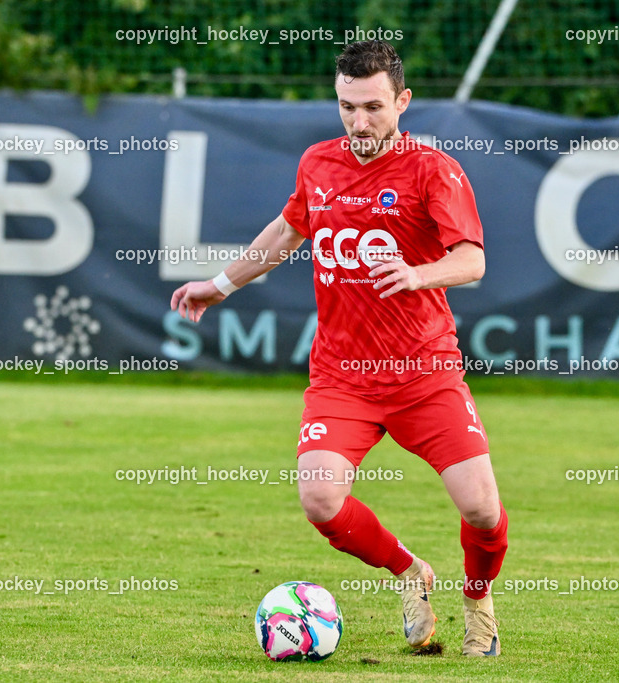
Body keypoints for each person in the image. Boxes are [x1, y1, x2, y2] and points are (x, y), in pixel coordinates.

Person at [170, 40, 508, 657]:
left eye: (374, 107)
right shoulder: (319, 163)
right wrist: (219, 285)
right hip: (342, 376)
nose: (360, 123)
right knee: (320, 498)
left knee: (482, 510)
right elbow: (287, 230)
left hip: (423, 371)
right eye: (348, 107)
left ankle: (478, 599)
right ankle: (410, 571)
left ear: (403, 101)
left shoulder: (434, 169)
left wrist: (416, 274)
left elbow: (472, 260)